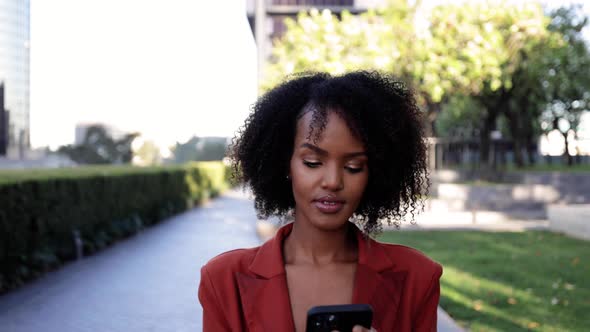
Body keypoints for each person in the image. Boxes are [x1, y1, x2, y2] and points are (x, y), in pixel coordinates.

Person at [198, 71, 442, 331]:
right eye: (312, 163)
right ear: (285, 163)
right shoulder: (224, 280)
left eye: (354, 166)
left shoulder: (417, 278)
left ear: (375, 173)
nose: (333, 181)